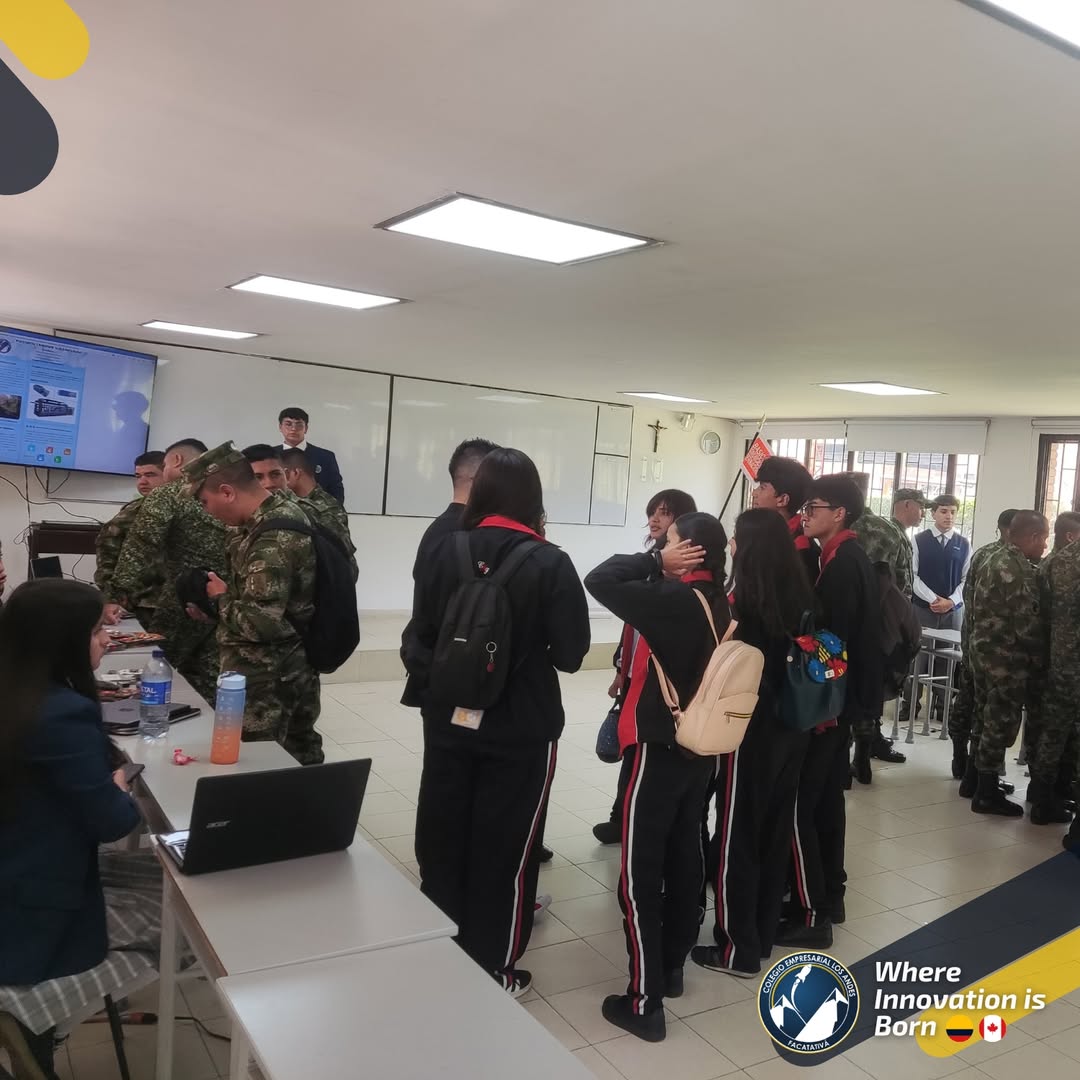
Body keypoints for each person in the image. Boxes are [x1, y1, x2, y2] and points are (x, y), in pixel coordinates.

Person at [403, 448, 590, 997]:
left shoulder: (445, 547)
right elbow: (571, 654)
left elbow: (419, 635)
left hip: (448, 719)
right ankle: (493, 971)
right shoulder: (550, 562)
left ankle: (438, 950)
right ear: (533, 499)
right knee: (505, 849)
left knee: (443, 836)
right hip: (520, 726)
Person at [0, 580, 159, 1078]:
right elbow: (112, 823)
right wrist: (119, 788)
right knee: (182, 912)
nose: (107, 639)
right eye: (95, 631)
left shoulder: (18, 693)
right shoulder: (61, 713)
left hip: (16, 873)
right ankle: (39, 1029)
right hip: (31, 913)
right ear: (60, 640)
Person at [584, 512, 730, 1042]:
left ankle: (644, 1001)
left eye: (667, 541)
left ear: (687, 551)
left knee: (639, 873)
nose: (657, 545)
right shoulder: (721, 600)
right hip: (700, 750)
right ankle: (670, 969)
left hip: (657, 749)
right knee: (685, 855)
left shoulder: (674, 600)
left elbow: (599, 579)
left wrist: (654, 562)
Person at [691, 508, 814, 980]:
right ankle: (760, 935)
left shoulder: (744, 605)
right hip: (793, 728)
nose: (732, 546)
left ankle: (736, 948)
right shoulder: (800, 594)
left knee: (736, 835)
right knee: (773, 831)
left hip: (749, 730)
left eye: (736, 539)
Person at [782, 476, 882, 948]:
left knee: (807, 801)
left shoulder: (843, 564)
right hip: (841, 701)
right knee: (824, 799)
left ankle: (814, 909)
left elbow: (830, 644)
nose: (805, 514)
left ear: (839, 513)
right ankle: (830, 893)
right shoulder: (839, 555)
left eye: (813, 507)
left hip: (832, 704)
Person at [183, 443, 323, 766]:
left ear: (227, 492)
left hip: (269, 678)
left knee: (261, 766)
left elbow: (260, 622)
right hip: (277, 670)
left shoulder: (274, 536)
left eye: (205, 502)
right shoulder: (260, 523)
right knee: (294, 759)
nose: (206, 511)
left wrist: (217, 599)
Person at [592, 488, 698, 847]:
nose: (654, 519)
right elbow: (632, 626)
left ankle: (630, 821)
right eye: (653, 511)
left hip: (661, 684)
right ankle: (619, 816)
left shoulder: (681, 576)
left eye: (664, 513)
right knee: (630, 751)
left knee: (645, 756)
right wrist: (620, 669)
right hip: (634, 674)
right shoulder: (651, 565)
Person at [110, 438, 227, 703]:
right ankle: (212, 722)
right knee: (210, 674)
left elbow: (140, 546)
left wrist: (114, 596)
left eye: (163, 466)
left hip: (182, 601)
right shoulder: (225, 491)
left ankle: (152, 719)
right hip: (225, 599)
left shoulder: (169, 494)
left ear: (176, 461)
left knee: (156, 670)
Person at [966, 510, 1049, 817]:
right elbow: (1026, 624)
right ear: (1033, 536)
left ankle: (976, 781)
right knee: (999, 723)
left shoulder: (993, 556)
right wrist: (1043, 658)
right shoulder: (1016, 568)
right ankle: (986, 793)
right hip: (1005, 659)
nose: (1045, 546)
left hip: (983, 652)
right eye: (1044, 539)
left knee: (984, 718)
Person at [840, 473, 910, 775]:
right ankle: (863, 757)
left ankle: (841, 762)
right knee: (870, 687)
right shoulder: (888, 530)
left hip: (841, 622)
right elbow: (903, 581)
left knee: (843, 689)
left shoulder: (838, 528)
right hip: (880, 625)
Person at [952, 509, 1019, 786]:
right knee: (986, 709)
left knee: (967, 699)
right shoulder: (1009, 561)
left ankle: (961, 758)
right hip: (992, 648)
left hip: (972, 638)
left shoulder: (983, 553)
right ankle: (977, 771)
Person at [1030, 514, 1080, 826]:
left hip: (1055, 661)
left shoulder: (1055, 561)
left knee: (1052, 731)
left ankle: (1041, 797)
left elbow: (1040, 613)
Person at [910, 494, 972, 720]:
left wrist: (951, 601)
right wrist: (932, 599)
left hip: (952, 611)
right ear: (933, 513)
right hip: (923, 608)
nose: (949, 516)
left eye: (953, 512)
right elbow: (913, 575)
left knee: (948, 660)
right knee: (918, 657)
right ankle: (910, 704)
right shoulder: (918, 540)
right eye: (944, 511)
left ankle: (943, 707)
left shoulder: (963, 543)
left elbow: (967, 579)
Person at [95, 450, 167, 623]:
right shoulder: (133, 511)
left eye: (150, 475)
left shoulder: (192, 506)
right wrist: (110, 596)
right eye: (138, 476)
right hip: (145, 601)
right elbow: (108, 550)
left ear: (168, 474)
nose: (142, 482)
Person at [283, 446, 358, 579]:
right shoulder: (291, 502)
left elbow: (343, 565)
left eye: (279, 475)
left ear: (295, 473)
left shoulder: (324, 510)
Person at [751, 457, 820, 584]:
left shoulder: (800, 547)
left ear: (783, 500)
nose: (754, 493)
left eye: (762, 487)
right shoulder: (768, 533)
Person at [279, 406, 344, 504]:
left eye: (299, 425)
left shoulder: (325, 457)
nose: (293, 429)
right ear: (280, 427)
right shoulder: (269, 456)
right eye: (288, 424)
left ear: (306, 428)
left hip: (317, 511)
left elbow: (336, 491)